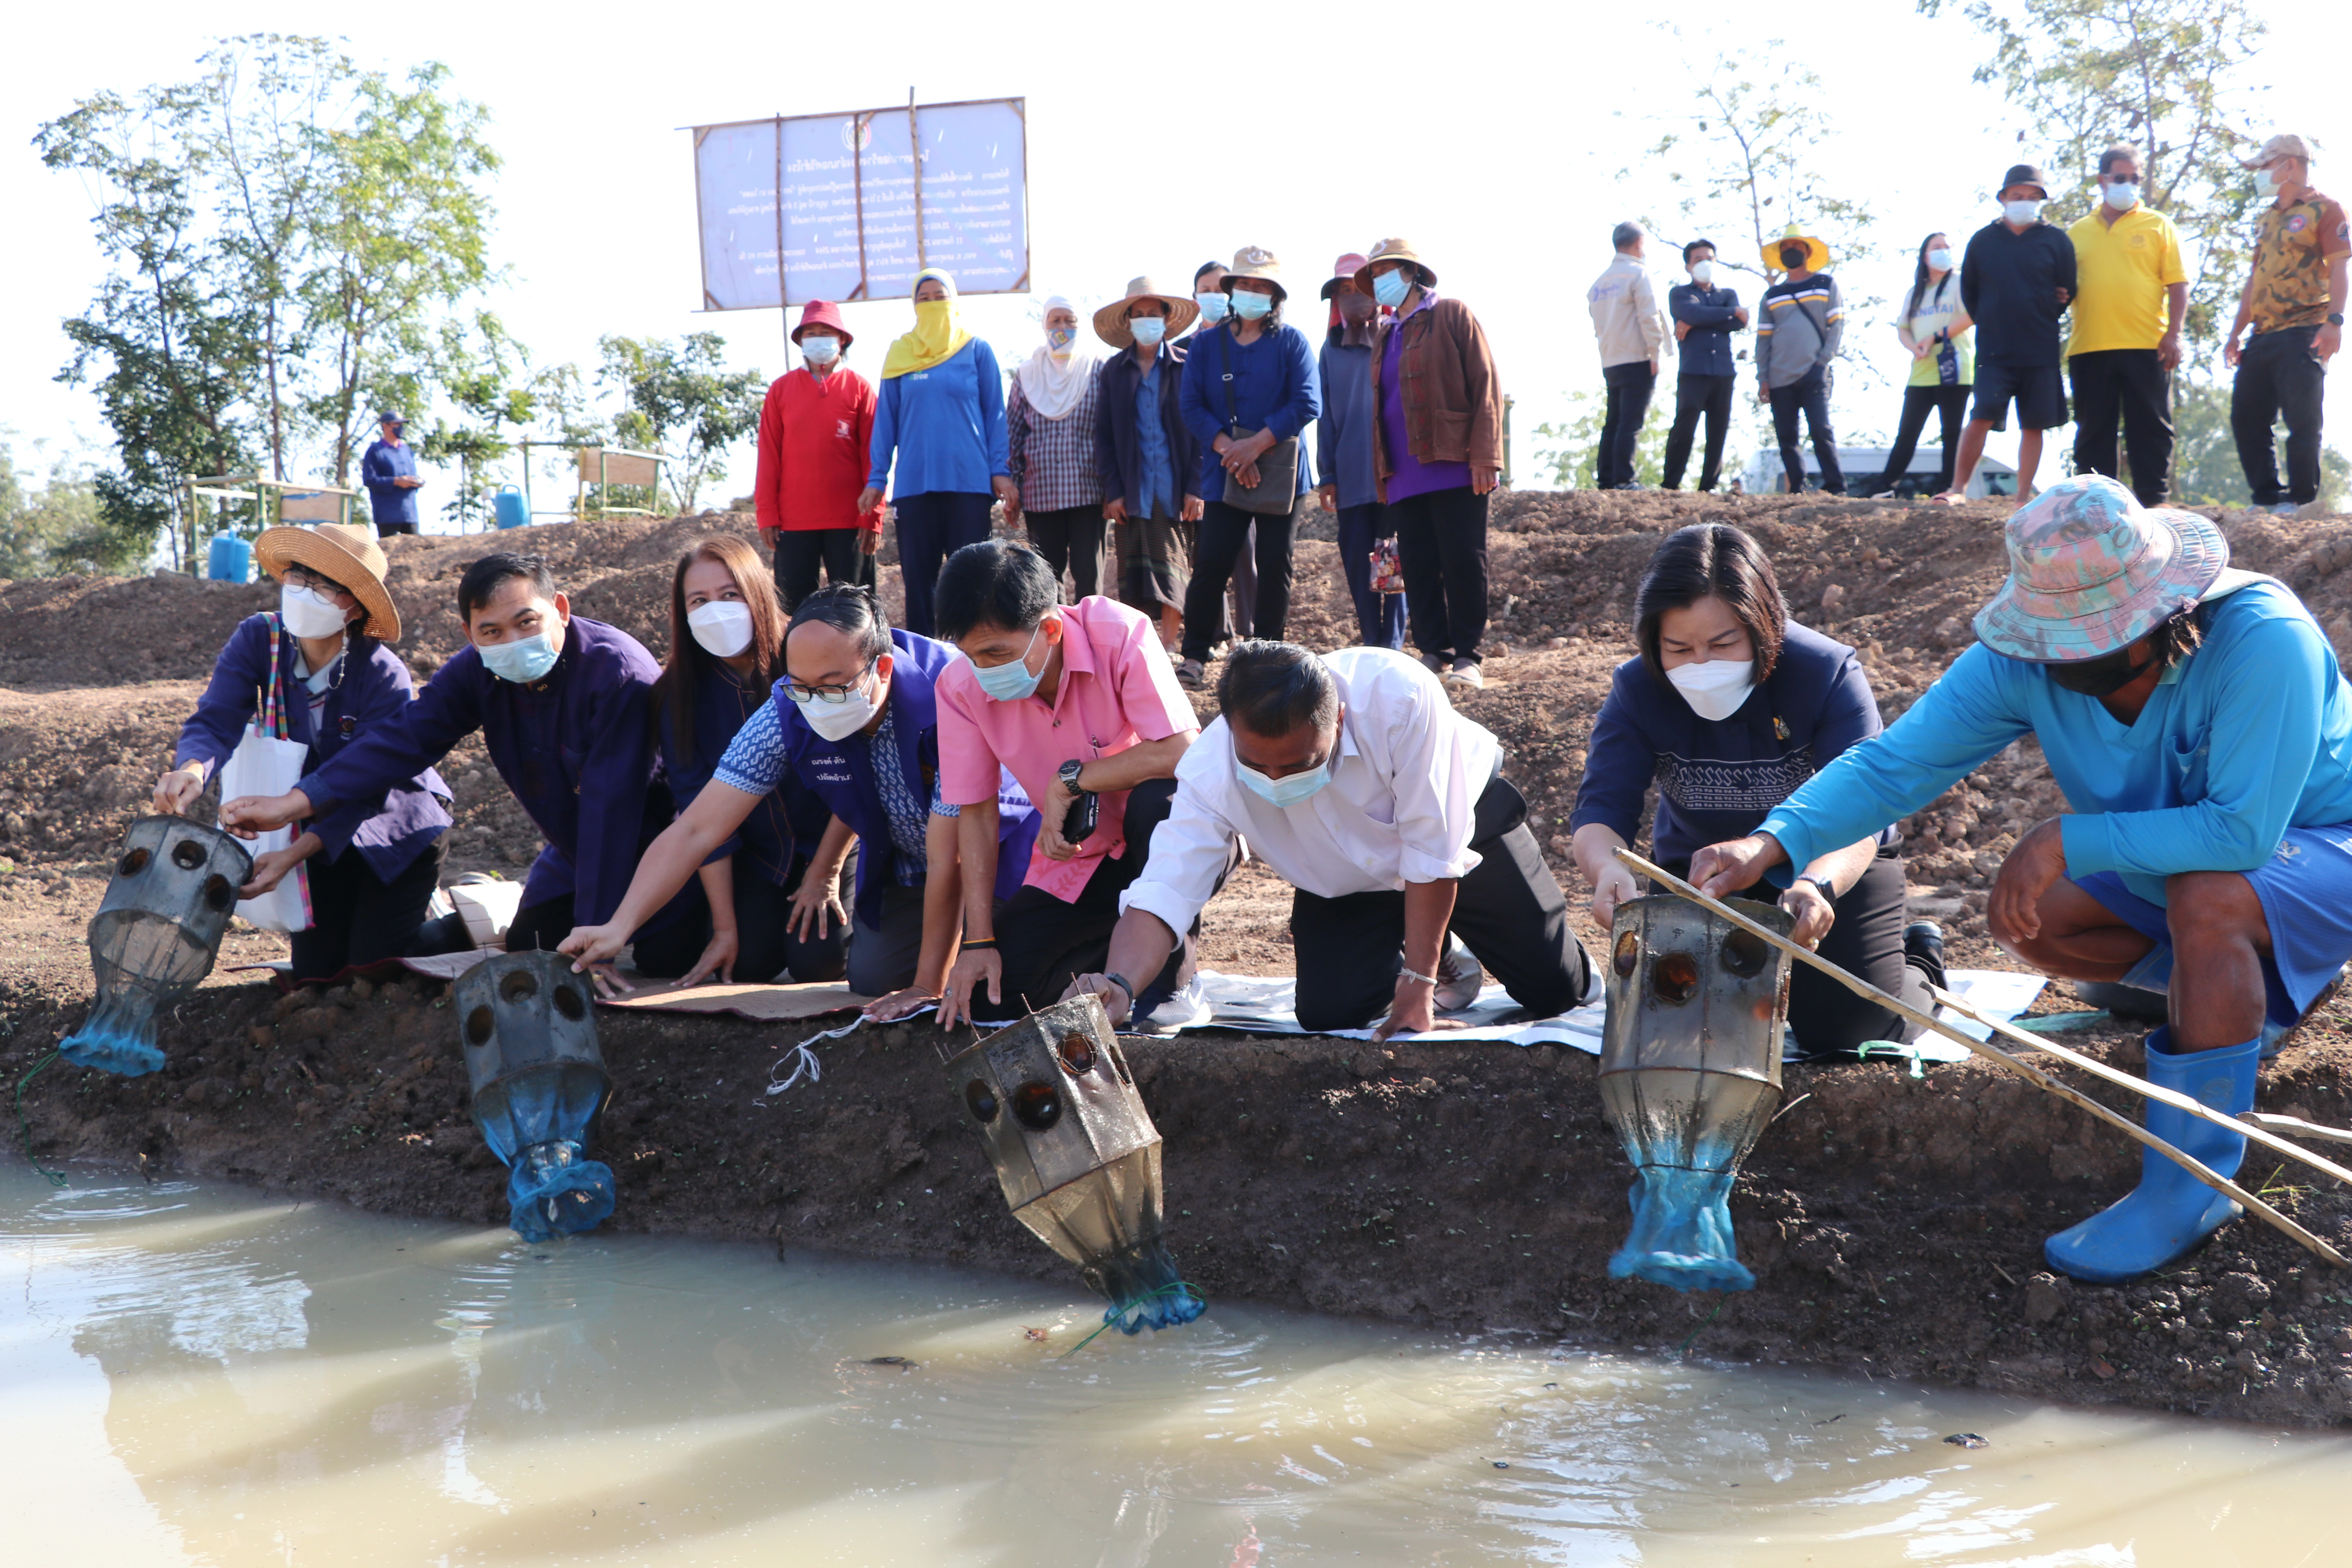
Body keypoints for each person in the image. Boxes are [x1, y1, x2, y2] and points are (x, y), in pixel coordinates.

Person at [1688, 474, 2352, 1282]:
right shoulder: (2023, 659)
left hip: (2318, 845)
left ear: (2165, 612)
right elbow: (1897, 765)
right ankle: (2232, 994)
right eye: (2048, 635)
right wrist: (1771, 840)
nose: (2053, 655)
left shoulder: (2260, 637)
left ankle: (2193, 1182)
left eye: (2085, 636)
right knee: (2036, 917)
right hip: (2191, 858)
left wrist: (2064, 837)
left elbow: (2241, 831)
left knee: (2205, 895)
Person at [1068, 641, 1595, 1038]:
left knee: (1557, 991)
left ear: (1339, 720)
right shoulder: (1211, 768)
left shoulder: (1400, 697)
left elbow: (1434, 851)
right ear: (1230, 730)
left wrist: (1419, 985)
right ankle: (1445, 951)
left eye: (1298, 764)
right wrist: (1120, 983)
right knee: (1330, 1012)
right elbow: (1165, 889)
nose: (1276, 780)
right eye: (1257, 765)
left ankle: (1431, 946)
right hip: (1351, 880)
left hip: (1462, 841)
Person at [562, 584, 1041, 1020]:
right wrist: (617, 926)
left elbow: (952, 854)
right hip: (909, 865)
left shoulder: (949, 694)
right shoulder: (787, 708)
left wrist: (925, 986)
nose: (815, 702)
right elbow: (697, 828)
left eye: (833, 686)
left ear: (883, 668)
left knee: (1006, 988)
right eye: (801, 685)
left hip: (999, 855)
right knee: (874, 980)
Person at [218, 552, 688, 987]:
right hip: (574, 852)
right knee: (533, 946)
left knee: (665, 955)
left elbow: (612, 810)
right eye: (492, 632)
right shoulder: (477, 671)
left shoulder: (618, 674)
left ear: (560, 609)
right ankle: (469, 920)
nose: (512, 641)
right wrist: (294, 803)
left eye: (527, 622)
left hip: (658, 853)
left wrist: (595, 934)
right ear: (470, 634)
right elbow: (404, 738)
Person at [1569, 524, 1943, 1057]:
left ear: (1764, 627)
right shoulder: (1637, 689)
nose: (1701, 665)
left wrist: (1817, 884)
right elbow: (1603, 806)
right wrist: (1608, 869)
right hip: (1703, 878)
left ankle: (1921, 966)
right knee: (1681, 1030)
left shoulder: (1824, 672)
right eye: (1678, 647)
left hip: (1828, 866)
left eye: (1723, 644)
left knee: (1848, 1031)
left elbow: (1866, 806)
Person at [155, 522, 453, 980]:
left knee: (372, 969)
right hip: (316, 826)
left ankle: (460, 928)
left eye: (326, 585)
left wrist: (293, 854)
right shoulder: (258, 639)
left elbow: (370, 785)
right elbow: (217, 718)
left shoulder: (382, 675)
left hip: (394, 825)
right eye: (299, 576)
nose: (305, 591)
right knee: (316, 972)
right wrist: (194, 769)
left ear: (354, 606)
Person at [930, 541, 1207, 1031]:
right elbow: (975, 810)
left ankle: (1173, 974)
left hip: (1165, 841)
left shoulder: (1118, 633)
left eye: (998, 652)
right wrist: (978, 941)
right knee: (996, 995)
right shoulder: (960, 687)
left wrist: (1072, 781)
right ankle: (1122, 952)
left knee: (1157, 799)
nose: (985, 670)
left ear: (1051, 629)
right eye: (972, 655)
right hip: (1082, 859)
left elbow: (1184, 750)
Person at [624, 536, 846, 987]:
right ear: (683, 613)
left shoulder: (811, 654)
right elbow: (700, 819)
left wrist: (825, 873)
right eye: (699, 601)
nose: (716, 610)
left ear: (757, 591)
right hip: (761, 856)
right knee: (743, 963)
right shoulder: (677, 696)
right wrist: (725, 927)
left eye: (730, 595)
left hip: (838, 841)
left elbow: (860, 775)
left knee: (817, 962)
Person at [1360, 239, 1504, 694]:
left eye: (1389, 269)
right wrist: (1382, 472)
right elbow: (1380, 407)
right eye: (1375, 271)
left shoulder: (1453, 314)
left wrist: (1486, 455)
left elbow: (1486, 385)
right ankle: (1432, 649)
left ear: (1410, 273)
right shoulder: (1385, 334)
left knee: (1462, 558)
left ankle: (1467, 654)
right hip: (1404, 470)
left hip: (1456, 462)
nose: (1381, 278)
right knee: (1419, 563)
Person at [1176, 247, 1321, 690]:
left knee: (1275, 562)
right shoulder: (1205, 344)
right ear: (1232, 290)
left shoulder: (1292, 342)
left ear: (1275, 296)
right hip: (1225, 472)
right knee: (1212, 562)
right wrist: (1230, 451)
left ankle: (1269, 658)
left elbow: (1308, 401)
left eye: (1264, 287)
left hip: (1281, 472)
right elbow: (1191, 405)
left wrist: (1255, 446)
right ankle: (1195, 655)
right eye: (1246, 285)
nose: (1254, 293)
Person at [858, 269, 1017, 637]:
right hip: (915, 489)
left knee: (975, 579)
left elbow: (995, 416)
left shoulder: (977, 350)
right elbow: (886, 422)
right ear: (914, 306)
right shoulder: (900, 355)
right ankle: (926, 668)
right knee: (920, 585)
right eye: (924, 298)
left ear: (955, 302)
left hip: (970, 485)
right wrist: (878, 478)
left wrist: (1000, 470)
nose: (932, 304)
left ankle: (980, 660)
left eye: (939, 297)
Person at [2224, 132, 2349, 518]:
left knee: (2302, 420)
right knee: (2247, 417)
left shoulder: (2325, 210)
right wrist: (2234, 333)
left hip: (2305, 329)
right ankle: (2266, 498)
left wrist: (2335, 322)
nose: (2261, 174)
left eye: (2266, 165)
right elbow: (2255, 280)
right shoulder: (2267, 219)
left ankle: (2301, 501)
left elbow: (2339, 269)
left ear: (2289, 165)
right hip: (2262, 335)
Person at [1941, 164, 2076, 503]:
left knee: (2034, 424)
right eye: (2018, 196)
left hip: (2041, 347)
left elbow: (2067, 290)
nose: (2024, 202)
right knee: (1982, 414)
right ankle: (1958, 489)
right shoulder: (1983, 241)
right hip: (1994, 350)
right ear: (2003, 199)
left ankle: (2023, 496)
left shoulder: (2056, 240)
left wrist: (2046, 308)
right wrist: (1991, 317)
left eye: (2033, 197)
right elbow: (1969, 294)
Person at [2067, 145, 2189, 506]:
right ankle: (2098, 504)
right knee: (2093, 432)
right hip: (2089, 345)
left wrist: (2174, 334)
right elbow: (2059, 287)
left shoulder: (2158, 225)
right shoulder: (2076, 233)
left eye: (2135, 179)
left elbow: (2178, 284)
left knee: (2151, 426)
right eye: (2120, 178)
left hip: (2147, 343)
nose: (2128, 185)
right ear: (2101, 180)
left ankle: (2156, 500)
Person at [1094, 276, 1203, 653]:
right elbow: (1104, 436)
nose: (1145, 320)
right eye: (1138, 314)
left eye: (1152, 314)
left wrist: (1196, 488)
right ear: (1128, 322)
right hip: (1132, 487)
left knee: (1173, 563)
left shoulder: (1186, 367)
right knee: (1134, 571)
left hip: (1173, 488)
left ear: (1166, 319)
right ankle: (1141, 649)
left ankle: (1171, 646)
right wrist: (1113, 491)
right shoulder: (1113, 372)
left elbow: (1202, 431)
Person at [755, 299, 883, 612]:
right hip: (794, 521)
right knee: (794, 611)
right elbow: (769, 455)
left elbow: (874, 456)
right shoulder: (780, 391)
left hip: (851, 520)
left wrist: (873, 516)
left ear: (842, 339)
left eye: (826, 331)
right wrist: (767, 513)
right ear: (800, 341)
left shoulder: (860, 389)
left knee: (855, 610)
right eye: (810, 332)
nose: (818, 338)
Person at [1313, 252, 1406, 651]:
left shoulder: (1396, 335)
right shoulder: (1331, 350)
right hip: (1350, 476)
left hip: (1394, 472)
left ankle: (1393, 641)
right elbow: (1325, 417)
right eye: (1343, 292)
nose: (1352, 298)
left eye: (1358, 289)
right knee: (1357, 558)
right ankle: (1371, 635)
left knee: (1392, 557)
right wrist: (1328, 474)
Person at [1005, 296, 1106, 600]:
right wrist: (1013, 489)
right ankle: (1059, 644)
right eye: (1055, 321)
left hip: (1088, 491)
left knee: (1090, 575)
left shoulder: (1097, 370)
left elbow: (1110, 431)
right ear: (1045, 325)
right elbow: (1014, 435)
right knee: (1047, 579)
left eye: (1070, 321)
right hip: (1041, 493)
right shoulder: (1027, 375)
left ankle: (1092, 641)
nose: (1062, 328)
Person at [1861, 234, 1975, 498]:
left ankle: (1948, 488)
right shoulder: (1915, 292)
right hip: (1921, 371)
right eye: (1937, 248)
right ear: (1925, 256)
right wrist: (1914, 347)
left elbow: (1971, 316)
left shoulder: (1960, 282)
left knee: (1951, 432)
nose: (1944, 252)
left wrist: (1935, 337)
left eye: (1947, 247)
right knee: (1908, 432)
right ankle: (1887, 486)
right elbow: (1903, 329)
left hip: (1954, 368)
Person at [1187, 258, 1255, 650]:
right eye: (1206, 290)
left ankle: (1248, 636)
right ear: (1196, 297)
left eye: (1220, 290)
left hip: (1245, 466)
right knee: (1206, 560)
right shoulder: (1182, 351)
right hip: (1199, 470)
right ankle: (1211, 636)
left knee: (1246, 555)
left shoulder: (1250, 344)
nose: (1214, 297)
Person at [1755, 227, 1846, 496]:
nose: (1790, 251)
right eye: (1785, 248)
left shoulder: (1826, 284)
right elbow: (1763, 341)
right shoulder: (1771, 296)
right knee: (1787, 437)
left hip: (1814, 372)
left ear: (1808, 251)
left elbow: (1837, 326)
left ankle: (1836, 486)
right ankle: (1797, 487)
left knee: (1821, 430)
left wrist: (1823, 362)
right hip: (1779, 376)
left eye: (1796, 246)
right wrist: (1763, 377)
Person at [1588, 223, 1669, 490]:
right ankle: (1625, 478)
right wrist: (1655, 351)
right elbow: (1649, 316)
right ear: (1639, 243)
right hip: (1637, 356)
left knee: (1613, 421)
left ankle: (1607, 478)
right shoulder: (1638, 274)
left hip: (1610, 358)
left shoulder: (1600, 282)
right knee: (1631, 422)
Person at [1663, 239, 1747, 494]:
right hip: (1693, 371)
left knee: (1718, 430)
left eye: (1709, 258)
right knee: (1684, 428)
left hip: (1723, 371)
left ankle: (1709, 485)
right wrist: (1729, 313)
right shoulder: (1680, 294)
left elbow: (1739, 324)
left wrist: (1699, 319)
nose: (1705, 263)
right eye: (1698, 259)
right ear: (1688, 266)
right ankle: (1670, 484)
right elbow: (1698, 314)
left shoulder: (1727, 295)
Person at [361, 412, 423, 538]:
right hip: (387, 514)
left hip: (409, 512)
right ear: (386, 427)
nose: (401, 427)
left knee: (416, 549)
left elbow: (413, 474)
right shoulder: (375, 451)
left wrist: (417, 482)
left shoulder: (407, 450)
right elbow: (370, 480)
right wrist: (396, 482)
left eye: (402, 424)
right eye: (397, 424)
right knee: (388, 553)